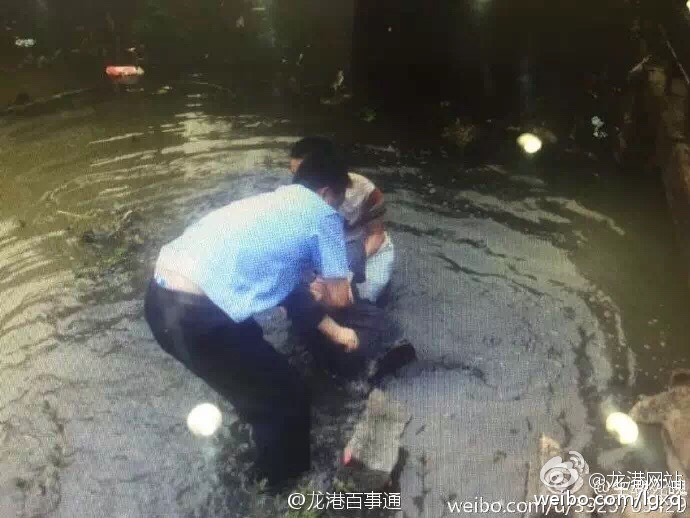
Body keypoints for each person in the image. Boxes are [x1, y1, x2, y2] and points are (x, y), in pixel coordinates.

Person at [144, 150, 353, 487]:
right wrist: (328, 293)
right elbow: (339, 298)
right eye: (339, 201)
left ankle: (259, 444)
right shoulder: (324, 215)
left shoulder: (271, 204)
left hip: (161, 302)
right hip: (198, 317)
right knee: (288, 397)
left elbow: (280, 281)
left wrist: (327, 321)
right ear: (328, 192)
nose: (337, 209)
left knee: (255, 385)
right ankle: (281, 489)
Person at [289, 137, 395, 303]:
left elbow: (376, 235)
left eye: (304, 174)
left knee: (364, 299)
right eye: (295, 175)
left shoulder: (366, 192)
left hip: (365, 251)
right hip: (324, 250)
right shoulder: (295, 195)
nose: (299, 184)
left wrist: (346, 271)